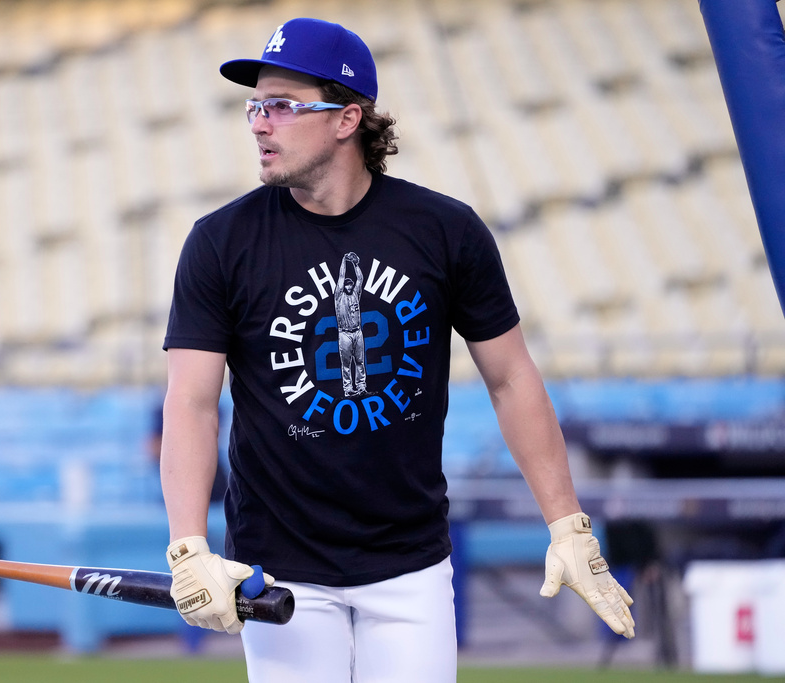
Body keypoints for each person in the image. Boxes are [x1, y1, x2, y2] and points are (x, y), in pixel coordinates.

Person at [160, 17, 634, 682]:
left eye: (283, 106)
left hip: (409, 563)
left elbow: (510, 377)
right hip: (280, 565)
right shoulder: (219, 242)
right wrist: (188, 545)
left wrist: (567, 525)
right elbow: (191, 400)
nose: (259, 124)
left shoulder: (446, 231)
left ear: (347, 118)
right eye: (254, 107)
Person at [334, 252, 366, 397]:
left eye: (350, 283)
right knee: (346, 364)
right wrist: (344, 261)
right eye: (347, 284)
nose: (349, 285)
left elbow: (360, 278)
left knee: (360, 361)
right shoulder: (339, 296)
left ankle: (361, 387)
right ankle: (348, 389)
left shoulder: (355, 294)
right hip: (345, 333)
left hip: (358, 331)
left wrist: (355, 263)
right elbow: (341, 277)